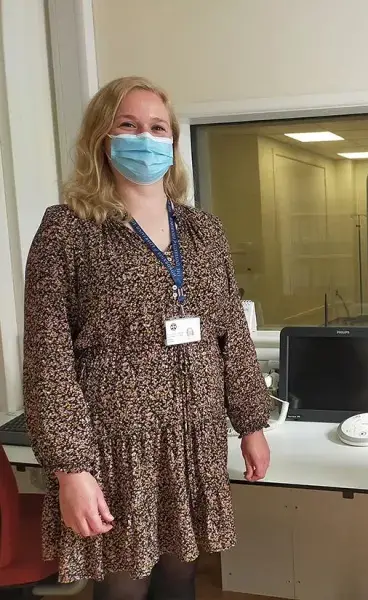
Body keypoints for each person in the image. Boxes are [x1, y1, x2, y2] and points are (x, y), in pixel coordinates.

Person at [22, 76, 273, 599]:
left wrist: (250, 423)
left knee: (182, 574)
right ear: (101, 138)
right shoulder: (68, 230)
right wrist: (71, 468)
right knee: (124, 584)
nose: (146, 138)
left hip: (194, 437)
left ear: (173, 142)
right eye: (129, 125)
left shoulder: (203, 231)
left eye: (158, 127)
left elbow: (231, 332)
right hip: (118, 444)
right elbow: (48, 359)